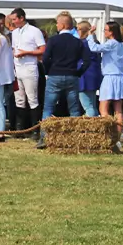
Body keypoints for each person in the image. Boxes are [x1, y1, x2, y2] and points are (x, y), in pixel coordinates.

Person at [36, 13, 88, 148]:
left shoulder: (53, 40)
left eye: (58, 23)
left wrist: (48, 70)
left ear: (63, 25)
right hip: (72, 75)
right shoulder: (78, 42)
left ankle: (44, 138)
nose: (57, 25)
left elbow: (45, 58)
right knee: (74, 109)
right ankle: (76, 138)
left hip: (55, 75)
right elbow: (87, 61)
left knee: (48, 108)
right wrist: (78, 72)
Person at [88, 21, 123, 148]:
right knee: (118, 110)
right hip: (120, 78)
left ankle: (110, 135)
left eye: (106, 30)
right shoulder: (122, 45)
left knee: (103, 109)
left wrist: (90, 36)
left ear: (111, 32)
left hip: (110, 78)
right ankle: (117, 137)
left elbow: (94, 48)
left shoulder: (111, 43)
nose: (104, 32)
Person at [9, 7, 46, 133]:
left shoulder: (34, 31)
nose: (13, 22)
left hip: (29, 68)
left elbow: (42, 49)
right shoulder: (14, 33)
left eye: (15, 19)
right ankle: (20, 128)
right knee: (19, 99)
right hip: (17, 69)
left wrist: (27, 53)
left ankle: (34, 129)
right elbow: (14, 49)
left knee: (32, 99)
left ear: (21, 18)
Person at [76, 20, 103, 117]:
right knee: (92, 105)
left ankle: (90, 125)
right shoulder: (95, 42)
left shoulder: (81, 43)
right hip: (94, 74)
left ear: (81, 30)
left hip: (84, 75)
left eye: (77, 29)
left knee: (88, 106)